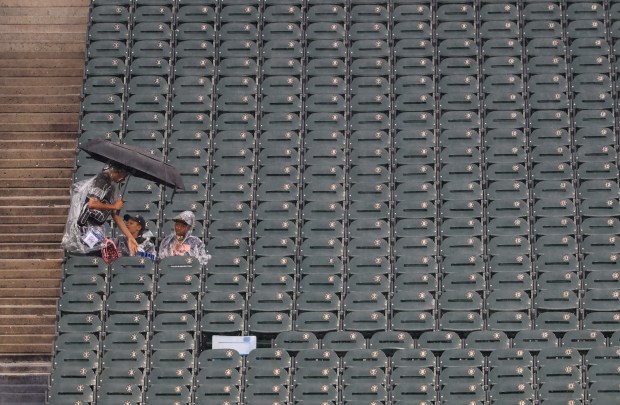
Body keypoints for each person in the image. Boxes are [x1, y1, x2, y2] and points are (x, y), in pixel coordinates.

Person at [62, 163, 138, 255]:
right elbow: (92, 204)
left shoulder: (112, 186)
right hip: (83, 230)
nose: (124, 178)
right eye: (124, 175)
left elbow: (116, 216)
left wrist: (130, 237)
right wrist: (114, 206)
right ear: (119, 171)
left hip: (95, 231)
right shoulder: (101, 181)